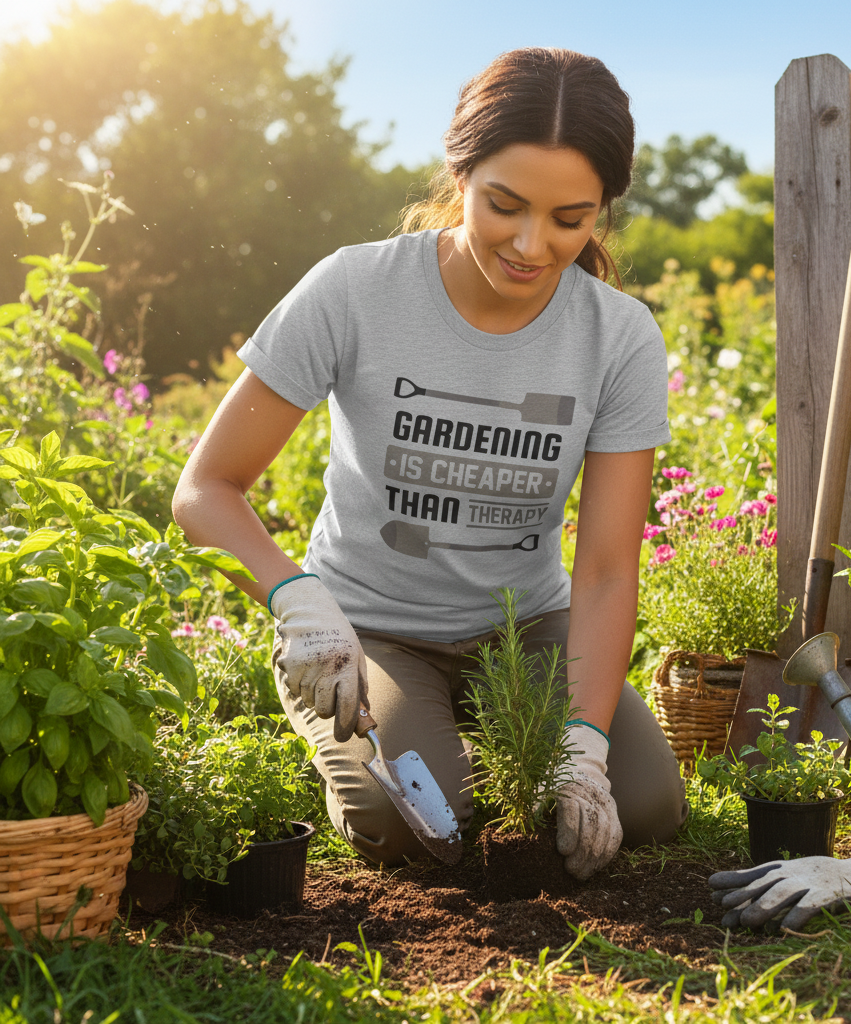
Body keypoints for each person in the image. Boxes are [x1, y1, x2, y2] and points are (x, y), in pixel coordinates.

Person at [172, 47, 686, 880]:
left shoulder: (618, 337)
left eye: (568, 219)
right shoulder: (354, 290)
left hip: (525, 632)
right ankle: (359, 717)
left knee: (647, 807)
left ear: (602, 209)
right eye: (504, 205)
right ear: (460, 172)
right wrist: (298, 600)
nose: (530, 244)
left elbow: (601, 570)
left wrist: (584, 748)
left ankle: (504, 732)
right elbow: (205, 489)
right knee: (417, 824)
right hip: (365, 630)